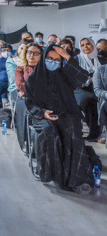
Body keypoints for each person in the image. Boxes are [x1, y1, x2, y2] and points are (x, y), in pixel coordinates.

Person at [25, 45, 101, 194]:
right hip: (43, 116)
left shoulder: (65, 76)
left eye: (56, 60)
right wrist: (43, 113)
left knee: (73, 131)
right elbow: (29, 102)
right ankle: (53, 174)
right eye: (49, 59)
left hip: (67, 113)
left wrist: (67, 57)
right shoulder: (33, 79)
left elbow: (83, 77)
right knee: (49, 132)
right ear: (43, 59)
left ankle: (76, 179)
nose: (52, 62)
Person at [75, 38, 101, 141]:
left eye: (88, 44)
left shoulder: (102, 59)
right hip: (81, 88)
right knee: (87, 100)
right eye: (82, 45)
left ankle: (98, 132)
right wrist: (89, 78)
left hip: (99, 88)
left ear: (93, 45)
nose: (85, 47)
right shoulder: (77, 59)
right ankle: (94, 132)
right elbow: (75, 77)